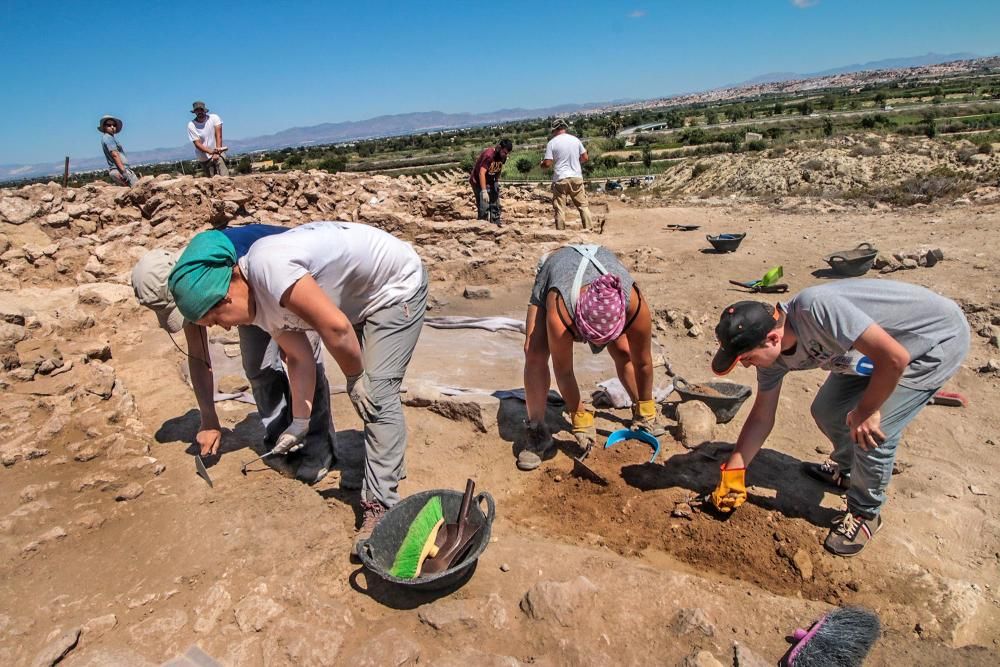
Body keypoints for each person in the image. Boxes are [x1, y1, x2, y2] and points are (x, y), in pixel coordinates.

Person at [167, 221, 427, 551]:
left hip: (395, 287)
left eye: (217, 320)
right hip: (357, 299)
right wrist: (300, 423)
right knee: (369, 388)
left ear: (227, 292)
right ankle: (381, 467)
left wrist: (355, 377)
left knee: (376, 392)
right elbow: (299, 358)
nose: (225, 328)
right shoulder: (258, 307)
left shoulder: (269, 267)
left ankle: (381, 507)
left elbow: (336, 328)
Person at [707, 280, 970, 557]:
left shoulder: (815, 310)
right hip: (871, 352)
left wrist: (866, 411)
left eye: (747, 358)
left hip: (929, 342)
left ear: (772, 338)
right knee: (829, 410)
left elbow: (895, 359)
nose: (747, 365)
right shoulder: (773, 358)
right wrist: (736, 468)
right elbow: (762, 416)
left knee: (871, 431)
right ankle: (848, 472)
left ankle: (865, 512)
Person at [132, 224, 335, 485]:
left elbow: (299, 355)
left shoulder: (227, 261)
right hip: (242, 303)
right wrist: (208, 420)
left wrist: (292, 351)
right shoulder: (192, 288)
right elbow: (198, 356)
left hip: (284, 287)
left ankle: (319, 450)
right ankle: (280, 441)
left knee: (306, 366)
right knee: (257, 367)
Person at [519, 244, 662, 471]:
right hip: (557, 272)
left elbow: (643, 360)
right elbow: (564, 371)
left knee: (623, 351)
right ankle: (537, 432)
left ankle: (643, 412)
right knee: (534, 353)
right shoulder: (560, 310)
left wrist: (647, 407)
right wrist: (580, 418)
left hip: (599, 266)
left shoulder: (635, 305)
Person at [540, 118, 592, 231]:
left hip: (560, 178)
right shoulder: (575, 140)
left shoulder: (552, 143)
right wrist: (576, 163)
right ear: (565, 128)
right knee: (583, 207)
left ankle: (561, 234)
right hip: (576, 177)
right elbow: (585, 157)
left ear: (554, 130)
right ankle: (589, 230)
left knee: (560, 209)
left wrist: (542, 164)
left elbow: (548, 163)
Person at [470, 138, 512, 225]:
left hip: (490, 181)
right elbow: (481, 173)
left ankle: (495, 224)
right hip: (477, 181)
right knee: (484, 206)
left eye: (507, 153)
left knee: (495, 204)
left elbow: (499, 167)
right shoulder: (489, 155)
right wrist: (484, 191)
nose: (505, 155)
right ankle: (482, 226)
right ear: (499, 148)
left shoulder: (502, 156)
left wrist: (496, 180)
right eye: (504, 152)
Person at [187, 101, 228, 177]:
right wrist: (211, 152)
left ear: (204, 110)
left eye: (201, 110)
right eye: (197, 110)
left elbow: (218, 135)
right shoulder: (191, 125)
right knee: (211, 179)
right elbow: (197, 144)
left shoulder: (214, 118)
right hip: (204, 156)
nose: (199, 112)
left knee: (224, 174)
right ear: (194, 112)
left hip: (217, 151)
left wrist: (217, 151)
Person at [99, 115, 139, 187]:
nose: (112, 127)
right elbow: (114, 154)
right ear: (104, 127)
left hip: (117, 170)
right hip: (120, 170)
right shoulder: (108, 138)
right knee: (138, 190)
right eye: (109, 125)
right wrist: (123, 172)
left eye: (114, 125)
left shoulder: (108, 138)